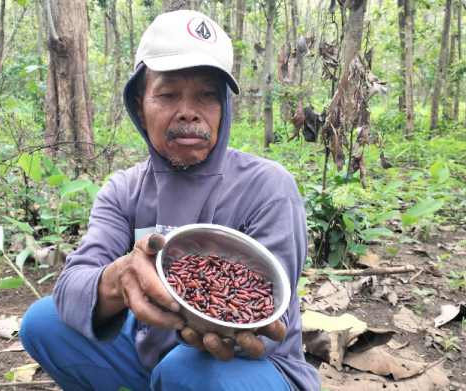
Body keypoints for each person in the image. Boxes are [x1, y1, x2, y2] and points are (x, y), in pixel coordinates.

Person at [20, 10, 320, 391]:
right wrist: (119, 278)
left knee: (185, 369)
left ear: (223, 108)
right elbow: (70, 289)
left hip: (246, 370)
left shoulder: (266, 186)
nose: (189, 111)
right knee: (43, 323)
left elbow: (264, 319)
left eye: (207, 95)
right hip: (150, 352)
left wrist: (220, 322)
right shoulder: (124, 189)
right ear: (139, 106)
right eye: (168, 94)